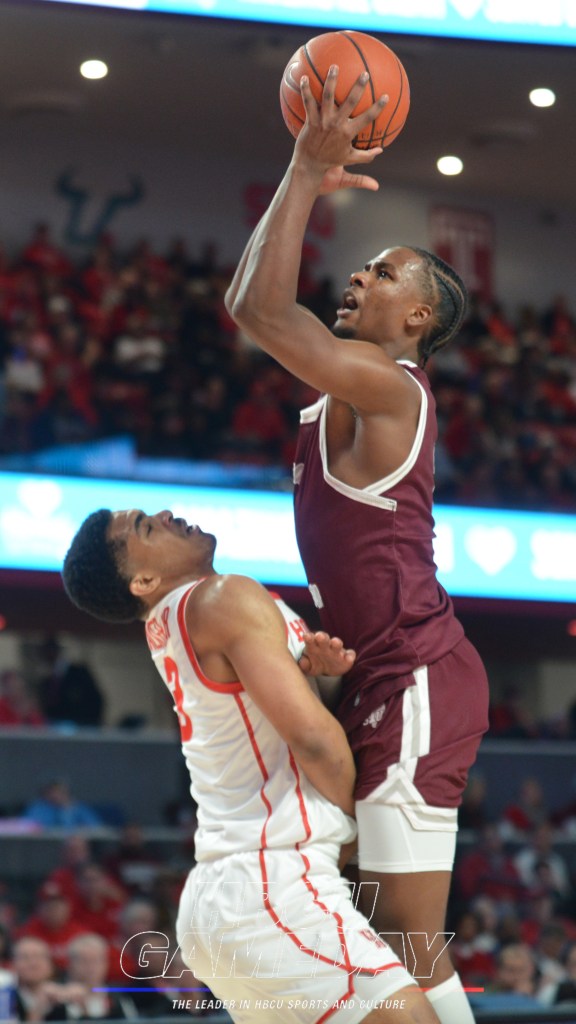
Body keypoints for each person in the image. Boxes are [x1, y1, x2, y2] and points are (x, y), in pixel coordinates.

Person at [224, 67, 490, 1024]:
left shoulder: (390, 385)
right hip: (383, 677)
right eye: (366, 266)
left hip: (419, 676)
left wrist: (302, 172)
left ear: (417, 318)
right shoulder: (341, 390)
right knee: (382, 950)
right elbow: (250, 300)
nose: (359, 277)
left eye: (383, 274)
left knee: (401, 952)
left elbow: (256, 312)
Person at [61, 506, 440, 1023]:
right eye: (147, 528)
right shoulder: (222, 597)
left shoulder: (185, 617)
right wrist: (363, 833)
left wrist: (320, 675)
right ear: (144, 579)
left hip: (232, 892)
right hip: (269, 882)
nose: (167, 514)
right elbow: (314, 743)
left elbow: (288, 719)